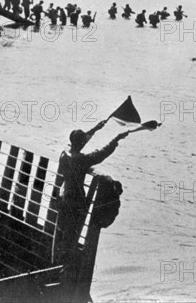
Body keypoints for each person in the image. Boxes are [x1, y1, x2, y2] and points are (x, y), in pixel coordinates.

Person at [55, 120, 129, 298]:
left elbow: (80, 142)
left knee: (64, 234)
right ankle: (66, 272)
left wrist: (96, 128)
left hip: (64, 200)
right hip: (76, 204)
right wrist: (116, 138)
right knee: (73, 237)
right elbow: (101, 154)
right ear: (81, 143)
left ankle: (60, 265)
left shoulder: (64, 155)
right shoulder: (82, 160)